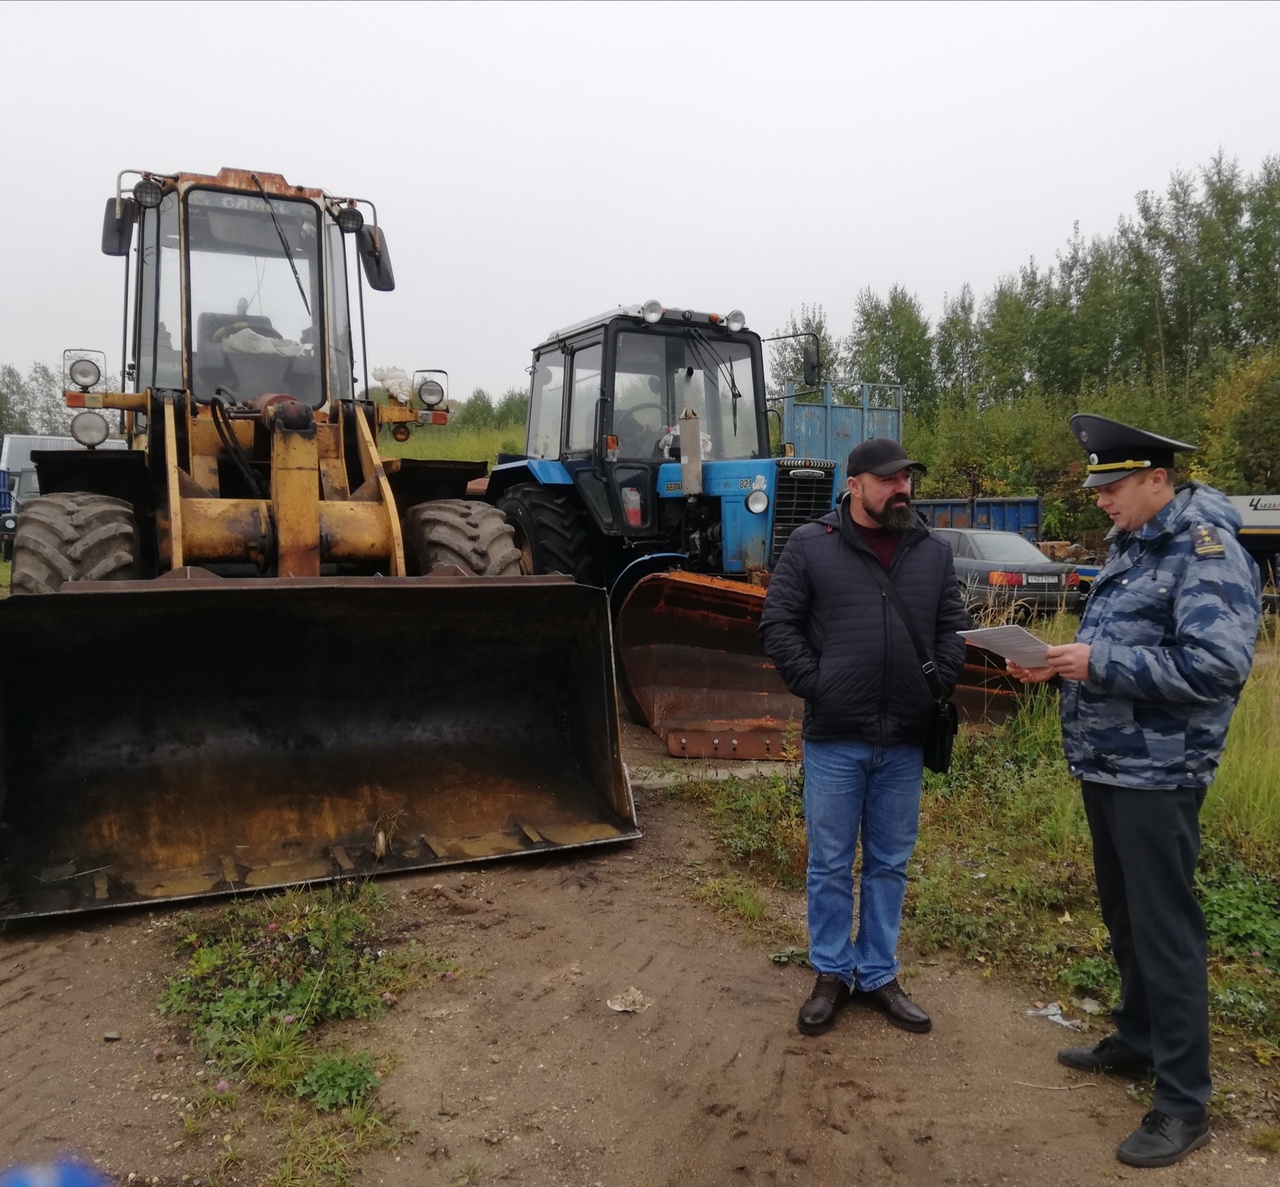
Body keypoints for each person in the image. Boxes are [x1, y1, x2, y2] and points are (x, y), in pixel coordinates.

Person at [1009, 414, 1261, 1169]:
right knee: (1124, 915)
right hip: (1109, 762)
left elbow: (1217, 667)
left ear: (1158, 478)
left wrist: (1097, 663)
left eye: (1112, 486)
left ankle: (1184, 1100)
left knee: (1165, 930)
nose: (1100, 500)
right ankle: (1139, 1037)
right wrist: (1056, 663)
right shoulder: (1135, 543)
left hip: (1160, 770)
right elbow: (1116, 648)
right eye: (1097, 487)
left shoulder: (1204, 549)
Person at [760, 438, 968, 1037]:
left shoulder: (931, 551)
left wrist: (938, 680)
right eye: (889, 480)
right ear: (855, 485)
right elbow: (778, 623)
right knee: (829, 863)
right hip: (835, 736)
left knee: (889, 863)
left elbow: (952, 626)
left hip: (905, 737)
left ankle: (877, 973)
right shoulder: (811, 545)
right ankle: (831, 972)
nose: (902, 489)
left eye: (908, 479)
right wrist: (816, 684)